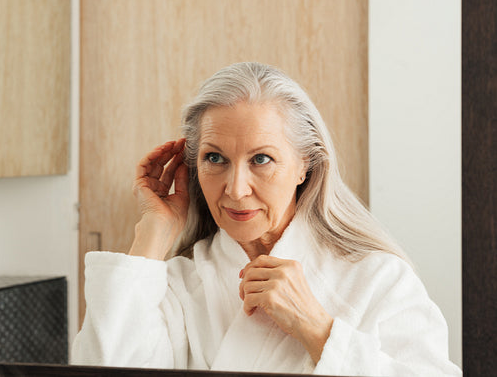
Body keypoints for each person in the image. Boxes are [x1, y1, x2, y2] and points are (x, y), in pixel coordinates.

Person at [72, 62, 461, 376]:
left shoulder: (377, 279)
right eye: (215, 158)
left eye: (261, 159)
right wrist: (154, 231)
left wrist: (318, 331)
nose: (236, 188)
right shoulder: (174, 285)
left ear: (304, 166)